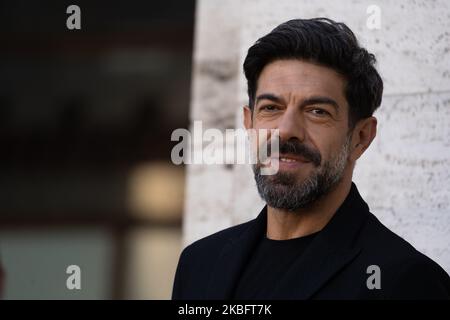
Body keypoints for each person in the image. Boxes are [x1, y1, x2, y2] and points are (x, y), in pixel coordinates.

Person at [172, 18, 450, 299]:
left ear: (361, 137)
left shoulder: (405, 281)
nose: (287, 130)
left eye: (317, 111)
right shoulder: (199, 264)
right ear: (250, 122)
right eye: (271, 107)